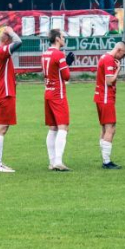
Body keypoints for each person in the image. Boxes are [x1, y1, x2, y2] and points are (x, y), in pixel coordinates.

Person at [0, 26, 22, 172]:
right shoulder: (0, 51)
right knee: (1, 128)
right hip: (5, 93)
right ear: (8, 39)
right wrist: (11, 32)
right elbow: (19, 42)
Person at [42, 29, 74, 171]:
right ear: (57, 39)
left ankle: (51, 161)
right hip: (58, 94)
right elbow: (66, 76)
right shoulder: (59, 54)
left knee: (53, 127)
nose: (64, 39)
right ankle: (58, 161)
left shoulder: (45, 54)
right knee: (63, 126)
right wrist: (67, 63)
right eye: (62, 37)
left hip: (47, 92)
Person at [94, 41, 125, 169]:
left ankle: (105, 159)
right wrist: (118, 70)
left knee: (104, 128)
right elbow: (109, 81)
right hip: (105, 98)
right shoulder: (109, 60)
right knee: (111, 128)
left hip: (100, 97)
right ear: (119, 50)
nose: (123, 58)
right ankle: (106, 162)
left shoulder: (104, 57)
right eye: (124, 55)